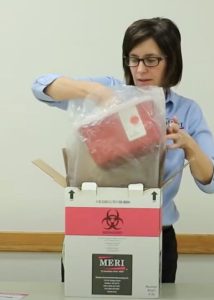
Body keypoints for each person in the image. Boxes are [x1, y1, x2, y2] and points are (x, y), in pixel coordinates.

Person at [32, 17, 214, 283]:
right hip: (93, 225)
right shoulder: (112, 90)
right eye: (133, 59)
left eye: (151, 59)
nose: (140, 69)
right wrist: (95, 92)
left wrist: (189, 145)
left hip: (156, 234)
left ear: (171, 61)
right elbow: (40, 87)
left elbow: (210, 183)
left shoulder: (187, 111)